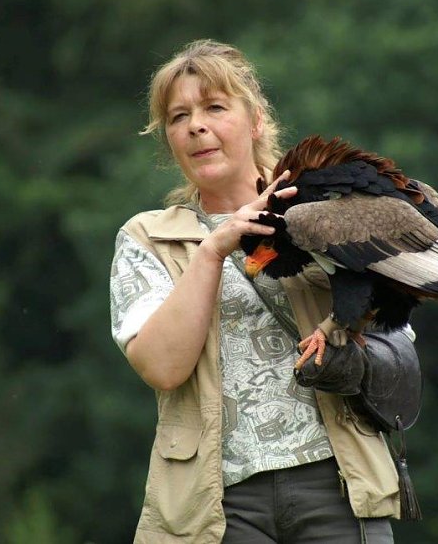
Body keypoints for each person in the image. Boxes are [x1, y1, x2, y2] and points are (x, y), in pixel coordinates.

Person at [109, 39, 401, 543]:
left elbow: (395, 324)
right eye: (179, 116)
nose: (196, 125)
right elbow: (162, 367)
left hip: (338, 483)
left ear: (256, 120)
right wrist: (211, 251)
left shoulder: (324, 211)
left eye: (215, 107)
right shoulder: (148, 238)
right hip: (216, 503)